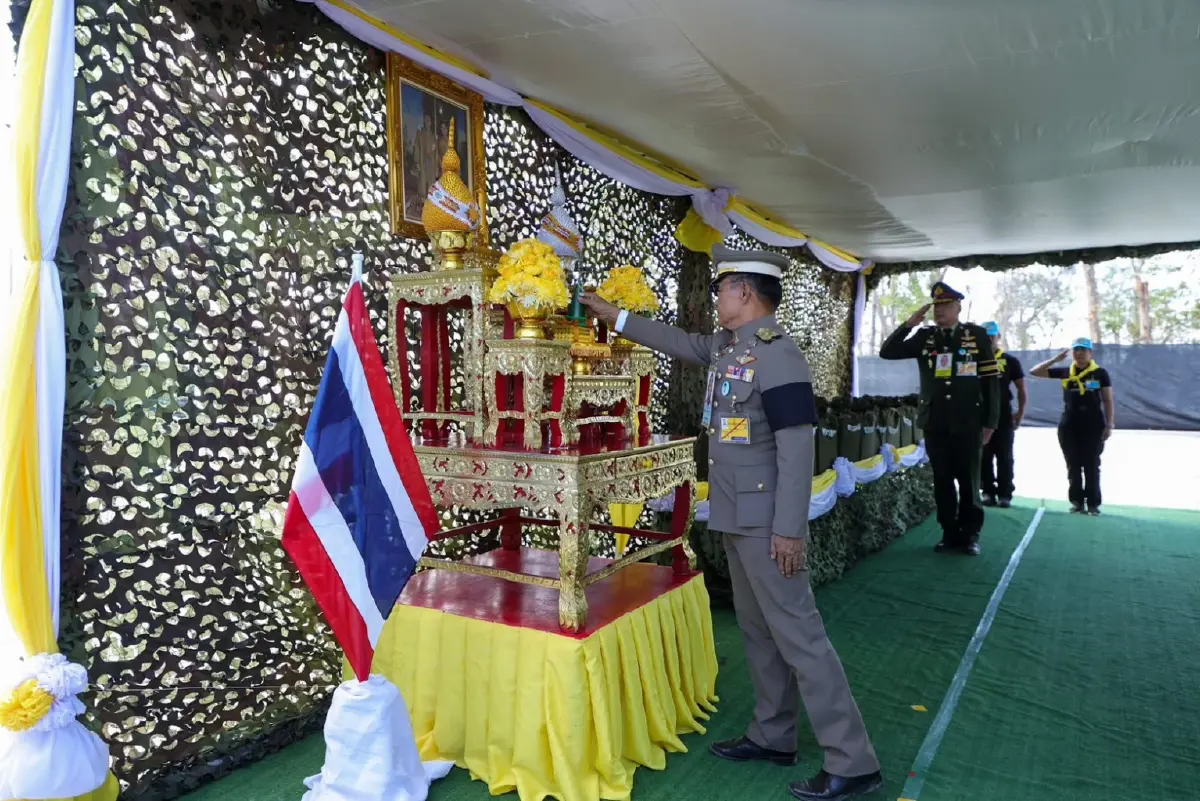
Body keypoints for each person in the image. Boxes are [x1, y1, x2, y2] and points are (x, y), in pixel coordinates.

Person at [581, 246, 882, 801]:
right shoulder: (728, 347)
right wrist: (613, 316)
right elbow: (676, 341)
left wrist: (790, 529)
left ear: (745, 292)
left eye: (722, 289)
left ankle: (852, 759)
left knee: (801, 638)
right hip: (737, 516)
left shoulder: (778, 355)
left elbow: (797, 448)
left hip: (769, 523)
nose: (716, 298)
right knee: (759, 633)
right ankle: (774, 735)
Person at [879, 282, 1000, 555]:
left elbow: (991, 380)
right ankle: (948, 533)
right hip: (935, 421)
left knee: (969, 481)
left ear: (958, 307)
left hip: (969, 421)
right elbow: (887, 352)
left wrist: (991, 421)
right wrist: (909, 324)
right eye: (936, 306)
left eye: (946, 305)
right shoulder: (926, 337)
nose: (940, 311)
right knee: (943, 480)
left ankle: (969, 536)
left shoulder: (976, 335)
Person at [1029, 338, 1114, 514]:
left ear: (1090, 353)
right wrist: (1054, 360)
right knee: (1073, 465)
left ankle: (1093, 504)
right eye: (1076, 350)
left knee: (1091, 465)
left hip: (1093, 425)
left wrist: (1109, 424)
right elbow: (1034, 371)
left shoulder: (1100, 373)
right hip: (1069, 425)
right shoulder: (1066, 371)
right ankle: (1076, 502)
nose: (1079, 353)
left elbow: (1107, 400)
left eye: (1083, 350)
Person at [978, 321, 1026, 508]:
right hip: (980, 414)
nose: (989, 339)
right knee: (983, 455)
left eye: (992, 335)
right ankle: (988, 491)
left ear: (998, 337)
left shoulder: (1010, 361)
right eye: (985, 336)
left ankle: (1005, 494)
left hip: (1003, 414)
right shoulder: (972, 361)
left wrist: (1020, 414)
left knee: (1005, 456)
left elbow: (1022, 389)